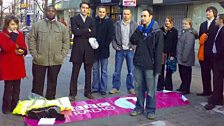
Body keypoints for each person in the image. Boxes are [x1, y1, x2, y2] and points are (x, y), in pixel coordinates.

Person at [28, 5, 70, 100]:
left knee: (52, 82)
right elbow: (31, 40)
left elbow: (66, 42)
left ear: (55, 13)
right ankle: (36, 102)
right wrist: (35, 55)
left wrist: (62, 55)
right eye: (49, 11)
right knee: (37, 82)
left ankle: (50, 101)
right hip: (40, 60)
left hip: (55, 60)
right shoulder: (37, 25)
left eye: (53, 11)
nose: (50, 12)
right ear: (45, 12)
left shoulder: (61, 27)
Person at [129, 9, 163, 120]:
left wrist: (158, 69)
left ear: (151, 17)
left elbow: (159, 52)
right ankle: (138, 108)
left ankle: (150, 110)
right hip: (138, 63)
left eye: (145, 16)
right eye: (141, 16)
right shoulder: (140, 29)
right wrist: (138, 30)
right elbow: (133, 41)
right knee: (138, 88)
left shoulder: (157, 32)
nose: (142, 18)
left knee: (150, 89)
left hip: (150, 65)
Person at [0, 15, 27, 114]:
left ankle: (14, 106)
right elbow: (6, 48)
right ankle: (6, 107)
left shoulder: (19, 34)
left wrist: (23, 51)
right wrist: (13, 37)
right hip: (7, 65)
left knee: (17, 88)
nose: (15, 26)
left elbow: (24, 47)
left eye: (16, 24)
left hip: (18, 64)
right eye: (12, 24)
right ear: (7, 24)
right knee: (8, 88)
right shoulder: (2, 35)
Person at [69, 2, 96, 100]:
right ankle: (72, 93)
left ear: (88, 9)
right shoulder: (74, 19)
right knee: (75, 72)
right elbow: (75, 32)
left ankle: (88, 92)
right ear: (80, 8)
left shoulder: (91, 20)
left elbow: (93, 33)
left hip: (88, 50)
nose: (85, 9)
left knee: (88, 73)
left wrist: (81, 30)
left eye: (87, 8)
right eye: (83, 8)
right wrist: (86, 30)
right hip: (78, 49)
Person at [110, 8, 137, 95]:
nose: (126, 15)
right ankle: (115, 87)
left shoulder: (134, 25)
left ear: (130, 15)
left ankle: (130, 87)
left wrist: (133, 47)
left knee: (131, 71)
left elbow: (138, 38)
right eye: (124, 14)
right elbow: (113, 37)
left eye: (128, 14)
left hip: (130, 51)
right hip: (120, 50)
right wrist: (115, 46)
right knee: (117, 71)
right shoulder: (117, 24)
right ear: (122, 14)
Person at [92, 6, 114, 95]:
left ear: (106, 13)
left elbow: (110, 35)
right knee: (95, 70)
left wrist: (105, 45)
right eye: (100, 12)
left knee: (104, 71)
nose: (101, 13)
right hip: (95, 49)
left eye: (103, 12)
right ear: (98, 12)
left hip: (104, 50)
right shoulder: (94, 21)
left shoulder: (109, 22)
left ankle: (103, 88)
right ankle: (95, 87)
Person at [204, 14, 224, 110]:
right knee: (218, 81)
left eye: (217, 19)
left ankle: (214, 101)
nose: (215, 20)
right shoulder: (219, 29)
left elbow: (222, 47)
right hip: (218, 59)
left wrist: (216, 56)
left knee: (217, 81)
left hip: (220, 61)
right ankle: (219, 99)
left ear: (221, 20)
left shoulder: (223, 30)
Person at [197, 6, 218, 96]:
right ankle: (206, 91)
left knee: (216, 75)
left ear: (214, 13)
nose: (207, 13)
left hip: (214, 54)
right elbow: (200, 37)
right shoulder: (203, 24)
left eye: (209, 11)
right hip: (204, 53)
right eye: (207, 11)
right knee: (205, 73)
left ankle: (216, 93)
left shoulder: (217, 24)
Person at [176, 18, 198, 95]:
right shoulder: (184, 32)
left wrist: (184, 58)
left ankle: (186, 89)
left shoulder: (189, 34)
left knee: (186, 75)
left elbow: (188, 47)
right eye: (183, 24)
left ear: (190, 25)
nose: (184, 25)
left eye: (186, 24)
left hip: (185, 59)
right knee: (182, 74)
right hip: (181, 58)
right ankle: (183, 87)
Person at [157, 16, 178, 91]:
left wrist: (173, 55)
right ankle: (160, 86)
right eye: (165, 21)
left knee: (169, 70)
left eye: (168, 21)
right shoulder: (161, 30)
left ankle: (168, 86)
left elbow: (175, 43)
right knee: (161, 70)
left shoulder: (174, 31)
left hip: (170, 53)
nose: (166, 22)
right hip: (162, 52)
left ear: (171, 22)